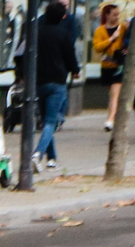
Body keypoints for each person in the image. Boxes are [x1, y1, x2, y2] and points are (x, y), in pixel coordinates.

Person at [37, 0, 80, 165]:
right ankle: (38, 153)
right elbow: (70, 56)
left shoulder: (37, 32)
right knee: (50, 122)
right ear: (62, 17)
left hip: (40, 81)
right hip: (57, 81)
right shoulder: (63, 34)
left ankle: (52, 158)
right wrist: (75, 70)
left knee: (46, 120)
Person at [96, 3, 129, 128]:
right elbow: (97, 47)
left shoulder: (123, 28)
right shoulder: (100, 30)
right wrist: (111, 39)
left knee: (115, 94)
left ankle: (110, 119)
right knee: (112, 94)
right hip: (106, 65)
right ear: (107, 15)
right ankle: (115, 116)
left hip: (119, 65)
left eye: (118, 14)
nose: (117, 17)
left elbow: (127, 41)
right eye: (114, 14)